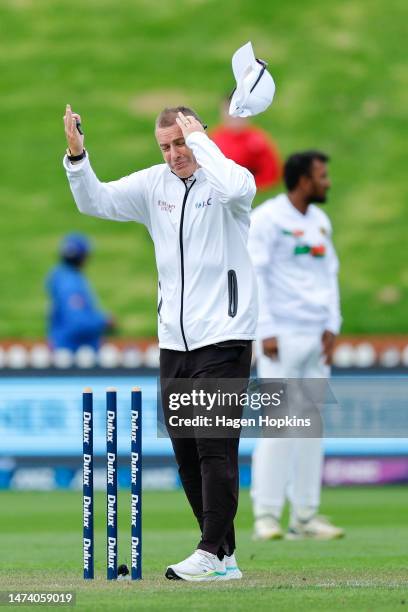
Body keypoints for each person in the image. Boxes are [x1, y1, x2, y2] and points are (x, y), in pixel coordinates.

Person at [63, 104, 258, 580]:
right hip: (174, 340)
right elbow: (97, 201)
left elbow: (235, 186)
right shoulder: (155, 185)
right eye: (165, 147)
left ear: (197, 135)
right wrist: (77, 156)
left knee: (215, 446)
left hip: (225, 336)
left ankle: (209, 550)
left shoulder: (229, 181)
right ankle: (224, 556)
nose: (174, 155)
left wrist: (204, 144)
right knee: (186, 448)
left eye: (180, 143)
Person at [249, 150, 344, 540]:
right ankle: (267, 515)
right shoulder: (268, 219)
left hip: (316, 336)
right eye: (322, 175)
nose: (327, 182)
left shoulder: (320, 221)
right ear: (303, 180)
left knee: (310, 426)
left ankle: (305, 515)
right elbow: (255, 273)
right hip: (281, 336)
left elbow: (330, 275)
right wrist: (265, 328)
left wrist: (333, 325)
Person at [46, 233, 114, 351]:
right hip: (72, 352)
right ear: (82, 257)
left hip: (64, 346)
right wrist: (103, 321)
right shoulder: (71, 284)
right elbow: (77, 322)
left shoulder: (60, 276)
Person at [211, 97, 282, 190]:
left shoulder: (257, 139)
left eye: (239, 111)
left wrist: (251, 187)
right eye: (228, 111)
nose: (234, 116)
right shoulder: (215, 139)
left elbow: (271, 172)